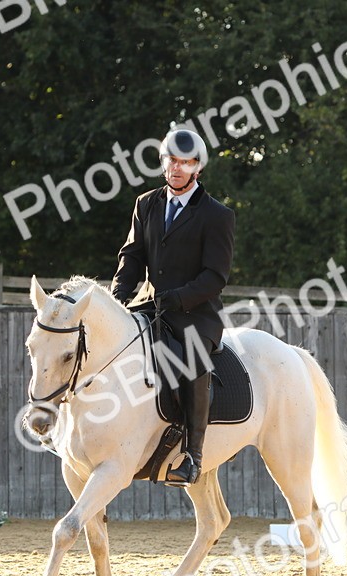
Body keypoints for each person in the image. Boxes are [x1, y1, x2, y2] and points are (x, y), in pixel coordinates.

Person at [110, 127, 235, 486]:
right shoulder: (146, 204)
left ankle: (193, 457)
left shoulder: (216, 215)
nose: (177, 168)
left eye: (186, 162)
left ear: (198, 167)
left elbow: (215, 277)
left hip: (195, 315)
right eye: (172, 161)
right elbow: (132, 257)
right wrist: (118, 296)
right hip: (150, 307)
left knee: (193, 362)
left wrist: (177, 298)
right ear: (163, 162)